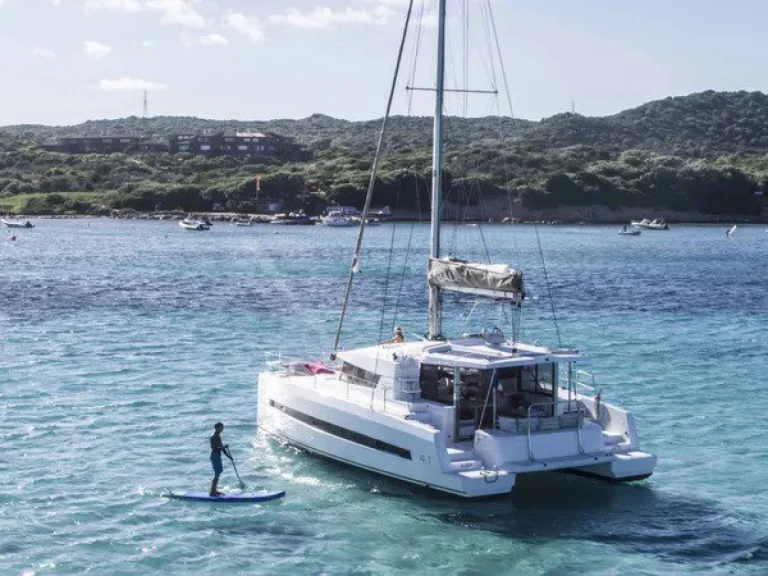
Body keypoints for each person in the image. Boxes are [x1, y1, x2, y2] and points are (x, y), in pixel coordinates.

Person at [209, 422, 231, 497]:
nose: (222, 429)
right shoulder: (213, 436)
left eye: (223, 428)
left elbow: (221, 447)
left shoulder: (218, 436)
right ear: (217, 428)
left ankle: (214, 490)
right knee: (217, 473)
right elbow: (214, 448)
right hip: (215, 456)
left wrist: (228, 456)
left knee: (218, 473)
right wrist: (224, 447)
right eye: (221, 428)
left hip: (217, 456)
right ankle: (212, 492)